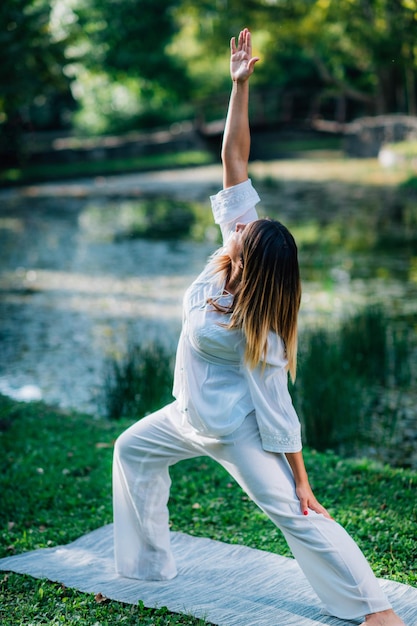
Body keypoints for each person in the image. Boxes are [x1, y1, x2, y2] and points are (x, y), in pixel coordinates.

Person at [112, 28, 405, 626]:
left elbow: (278, 407)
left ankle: (373, 609)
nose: (238, 227)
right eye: (244, 225)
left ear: (257, 265)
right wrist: (239, 86)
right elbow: (233, 158)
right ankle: (147, 570)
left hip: (235, 431)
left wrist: (302, 478)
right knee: (131, 451)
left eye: (246, 233)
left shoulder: (261, 331)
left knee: (296, 514)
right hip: (185, 414)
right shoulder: (233, 249)